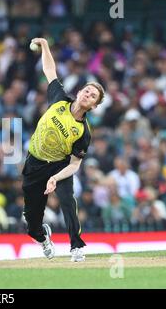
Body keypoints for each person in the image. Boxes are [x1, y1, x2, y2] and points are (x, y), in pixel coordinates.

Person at [22, 38, 104, 262]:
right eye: (87, 91)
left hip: (60, 165)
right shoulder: (59, 99)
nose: (88, 94)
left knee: (68, 200)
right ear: (79, 92)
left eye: (93, 96)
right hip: (34, 162)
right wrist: (46, 45)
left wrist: (56, 178)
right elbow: (50, 70)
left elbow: (75, 164)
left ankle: (76, 247)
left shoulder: (83, 132)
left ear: (94, 106)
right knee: (31, 222)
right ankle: (42, 237)